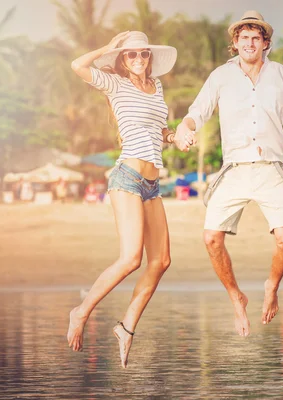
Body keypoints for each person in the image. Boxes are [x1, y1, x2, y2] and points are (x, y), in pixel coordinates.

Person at [173, 11, 283, 337]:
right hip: (234, 170)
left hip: (272, 169)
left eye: (256, 38)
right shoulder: (220, 77)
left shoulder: (282, 75)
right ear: (235, 43)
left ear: (266, 43)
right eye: (244, 38)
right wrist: (184, 129)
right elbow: (196, 113)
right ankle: (235, 295)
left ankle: (272, 286)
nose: (250, 43)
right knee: (211, 238)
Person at [67, 30, 177, 368]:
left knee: (161, 262)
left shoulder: (156, 87)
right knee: (131, 259)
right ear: (122, 59)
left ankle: (126, 327)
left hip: (152, 184)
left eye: (143, 54)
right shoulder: (115, 84)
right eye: (131, 55)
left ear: (150, 57)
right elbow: (76, 65)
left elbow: (159, 132)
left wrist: (176, 136)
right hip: (127, 178)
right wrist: (107, 47)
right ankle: (81, 311)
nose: (139, 60)